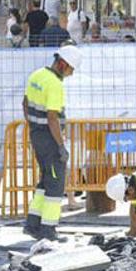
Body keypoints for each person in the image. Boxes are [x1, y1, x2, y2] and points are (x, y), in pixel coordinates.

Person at [21, 46, 83, 240]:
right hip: (50, 139)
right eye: (71, 69)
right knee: (55, 184)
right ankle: (48, 229)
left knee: (45, 180)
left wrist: (33, 126)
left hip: (37, 135)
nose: (71, 74)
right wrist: (60, 146)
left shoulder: (36, 75)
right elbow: (52, 118)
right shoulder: (55, 84)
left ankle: (32, 224)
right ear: (63, 64)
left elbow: (24, 103)